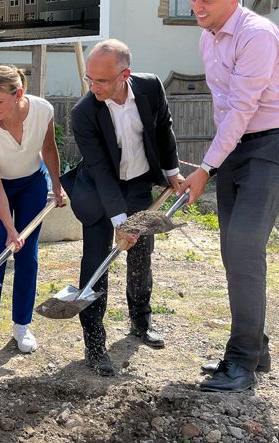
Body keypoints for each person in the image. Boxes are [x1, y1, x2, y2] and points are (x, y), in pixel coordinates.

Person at [182, 0, 279, 393]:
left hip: (274, 146)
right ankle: (257, 347)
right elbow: (224, 109)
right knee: (234, 252)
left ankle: (241, 362)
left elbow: (243, 108)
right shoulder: (207, 38)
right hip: (238, 147)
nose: (197, 7)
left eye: (206, 0)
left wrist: (205, 168)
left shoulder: (256, 35)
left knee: (244, 247)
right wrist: (217, 160)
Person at [62, 39, 184, 376]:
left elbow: (163, 129)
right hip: (100, 191)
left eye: (100, 81)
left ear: (124, 74)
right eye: (89, 79)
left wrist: (172, 172)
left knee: (141, 255)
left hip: (139, 184)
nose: (93, 87)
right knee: (96, 263)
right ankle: (96, 344)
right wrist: (119, 220)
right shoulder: (84, 112)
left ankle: (141, 323)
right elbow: (100, 170)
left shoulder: (150, 87)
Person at [0, 65, 67, 373]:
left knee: (28, 259)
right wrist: (10, 229)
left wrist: (57, 185)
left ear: (18, 95)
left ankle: (22, 325)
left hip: (32, 186)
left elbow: (49, 150)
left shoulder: (42, 110)